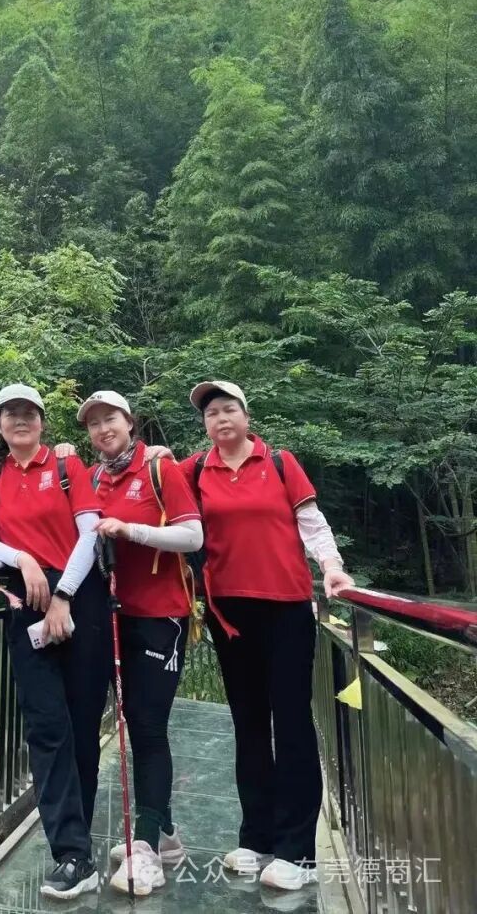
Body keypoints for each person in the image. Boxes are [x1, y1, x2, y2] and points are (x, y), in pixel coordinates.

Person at [178, 380, 355, 894]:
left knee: (291, 721)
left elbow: (312, 524)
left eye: (228, 409)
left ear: (246, 415)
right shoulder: (195, 470)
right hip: (228, 612)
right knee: (249, 723)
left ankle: (298, 850)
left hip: (286, 607)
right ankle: (256, 837)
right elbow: (155, 488)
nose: (220, 418)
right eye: (211, 413)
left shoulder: (279, 462)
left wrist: (332, 567)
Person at [52, 391, 203, 898]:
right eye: (93, 423)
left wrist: (130, 529)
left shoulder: (160, 469)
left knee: (146, 725)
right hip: (110, 617)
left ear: (130, 422)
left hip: (160, 616)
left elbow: (192, 537)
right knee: (127, 719)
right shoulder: (93, 479)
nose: (102, 429)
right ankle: (165, 830)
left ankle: (147, 847)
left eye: (110, 418)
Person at [0, 383, 111, 899]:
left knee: (82, 726)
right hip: (25, 600)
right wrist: (22, 557)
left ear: (42, 421)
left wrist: (63, 594)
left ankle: (80, 846)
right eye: (10, 413)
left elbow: (89, 533)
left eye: (29, 412)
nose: (20, 420)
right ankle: (71, 853)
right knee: (47, 727)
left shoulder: (68, 467)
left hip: (79, 598)